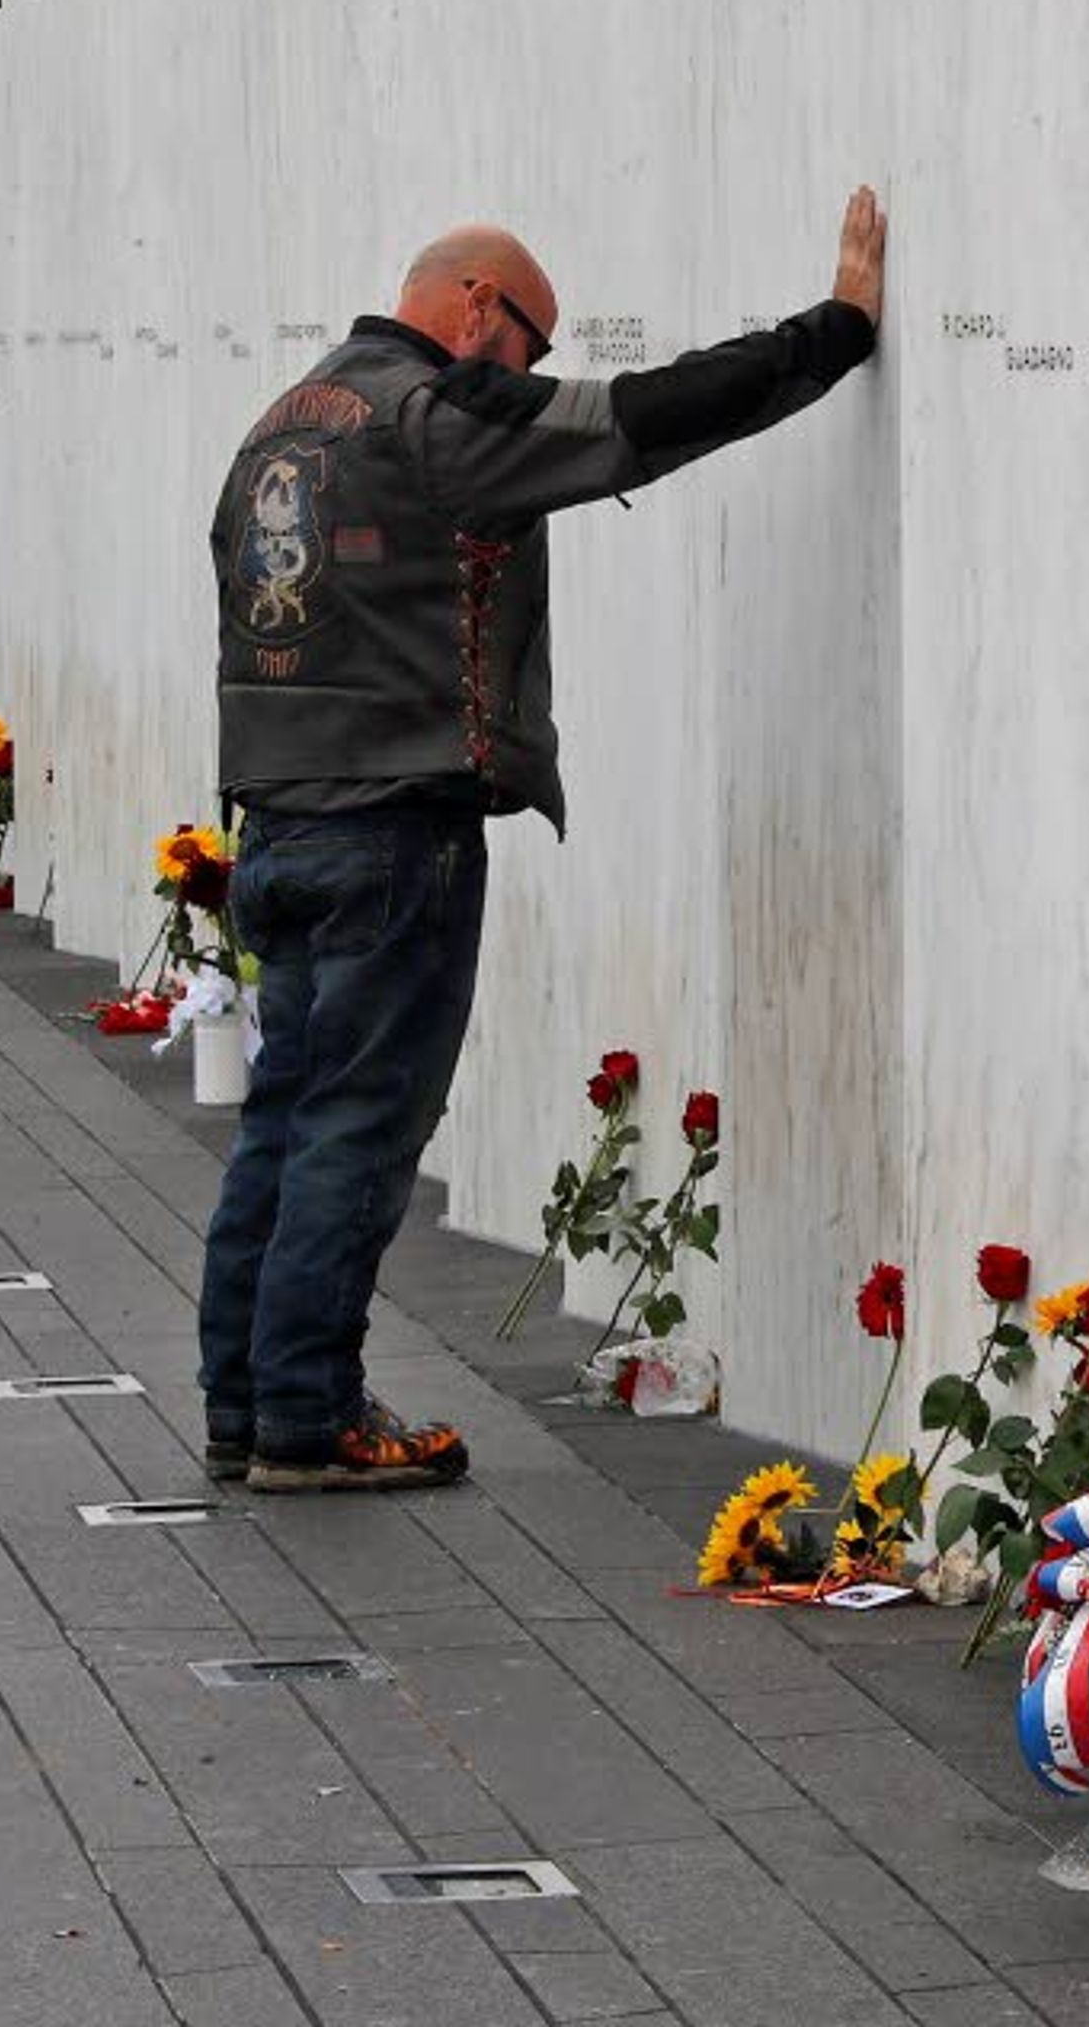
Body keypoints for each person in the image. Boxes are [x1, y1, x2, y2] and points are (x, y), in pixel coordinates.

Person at [196, 190, 887, 1491]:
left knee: (283, 1122)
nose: (535, 371)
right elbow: (631, 424)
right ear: (473, 308)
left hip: (277, 824)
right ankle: (307, 1416)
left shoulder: (279, 422)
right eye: (531, 341)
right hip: (394, 828)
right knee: (359, 1126)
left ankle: (244, 1404)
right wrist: (831, 332)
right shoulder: (431, 417)